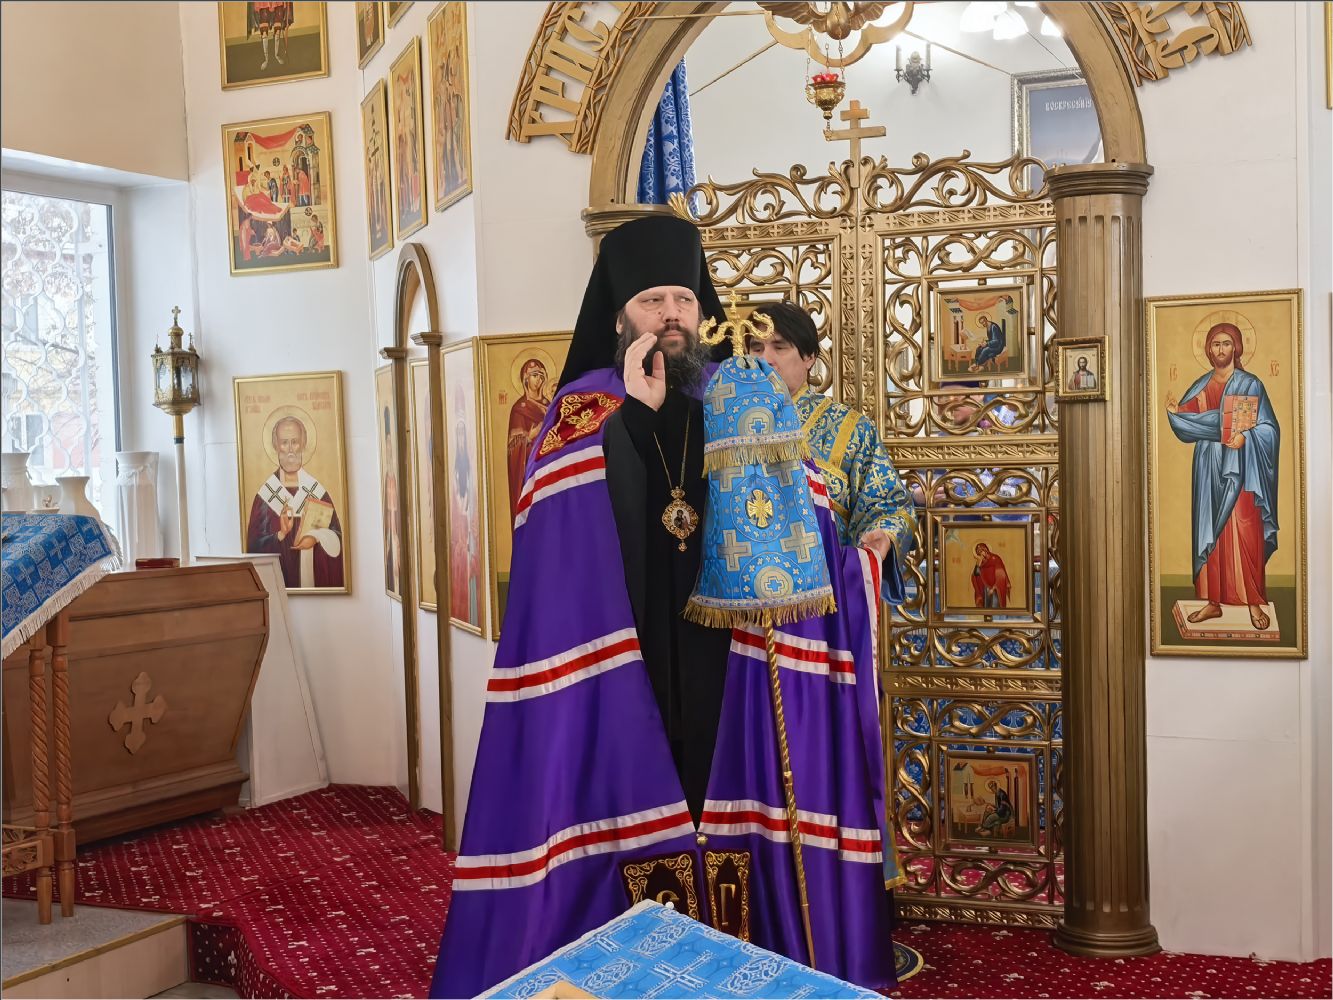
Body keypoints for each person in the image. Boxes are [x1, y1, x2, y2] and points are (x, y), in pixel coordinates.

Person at [430, 216, 904, 997]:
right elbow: (560, 532)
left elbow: (805, 514)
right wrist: (635, 417)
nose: (671, 315)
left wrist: (855, 566)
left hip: (730, 662)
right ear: (619, 314)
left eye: (682, 298)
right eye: (652, 301)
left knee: (725, 789)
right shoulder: (581, 411)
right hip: (626, 650)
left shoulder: (738, 397)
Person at [747, 301, 914, 601]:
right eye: (756, 348)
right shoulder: (722, 425)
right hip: (740, 597)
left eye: (779, 347)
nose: (765, 359)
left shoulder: (850, 429)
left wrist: (883, 535)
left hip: (824, 596)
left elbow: (888, 504)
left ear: (809, 357)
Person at [1165, 321, 1279, 631]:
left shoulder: (1250, 384)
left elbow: (1269, 428)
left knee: (1244, 529)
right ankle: (1213, 602)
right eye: (1216, 344)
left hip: (1241, 466)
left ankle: (1253, 601)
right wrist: (1175, 412)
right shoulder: (1200, 384)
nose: (1221, 349)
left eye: (1226, 343)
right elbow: (1185, 422)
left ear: (1236, 347)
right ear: (1208, 349)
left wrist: (1247, 437)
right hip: (1208, 467)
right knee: (1210, 532)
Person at [245, 413, 344, 589]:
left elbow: (338, 538)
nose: (290, 449)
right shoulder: (265, 496)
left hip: (313, 584)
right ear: (276, 446)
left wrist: (316, 538)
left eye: (295, 442)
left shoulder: (317, 492)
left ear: (303, 444)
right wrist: (280, 535)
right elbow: (253, 547)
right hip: (278, 584)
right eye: (284, 442)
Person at [504, 358, 550, 522]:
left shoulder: (549, 405)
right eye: (534, 375)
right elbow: (513, 449)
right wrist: (530, 436)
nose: (538, 380)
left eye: (541, 376)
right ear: (525, 379)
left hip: (547, 467)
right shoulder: (519, 409)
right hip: (530, 471)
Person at [971, 541, 1010, 608]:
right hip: (986, 589)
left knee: (995, 606)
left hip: (996, 589)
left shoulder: (995, 558)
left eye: (981, 551)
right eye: (979, 552)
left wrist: (994, 588)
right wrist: (978, 565)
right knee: (987, 607)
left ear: (986, 550)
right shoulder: (980, 562)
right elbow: (976, 575)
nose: (981, 553)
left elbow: (1001, 575)